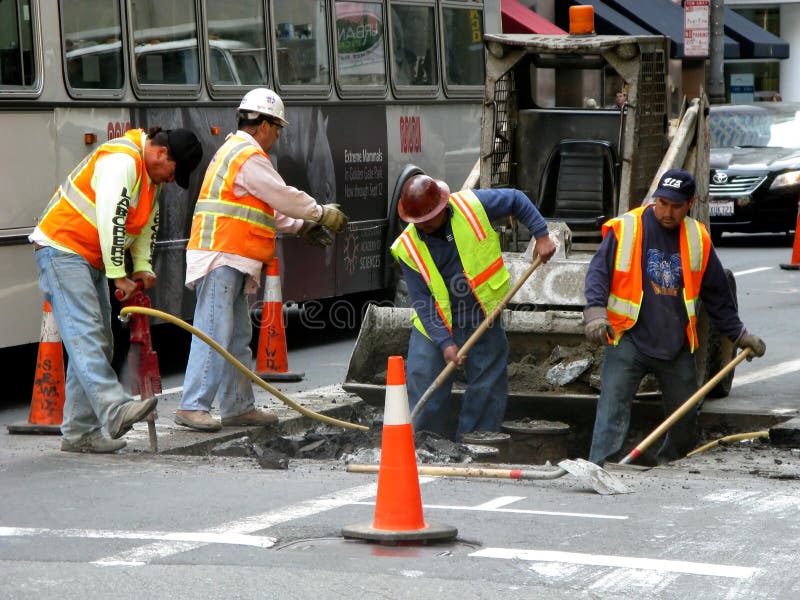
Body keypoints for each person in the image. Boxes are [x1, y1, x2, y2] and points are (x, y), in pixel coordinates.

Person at [175, 88, 349, 432]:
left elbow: (266, 208)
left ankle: (238, 407)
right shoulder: (247, 155)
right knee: (213, 331)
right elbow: (282, 196)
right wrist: (320, 213)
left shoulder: (238, 153)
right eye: (278, 127)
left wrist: (301, 227)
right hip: (221, 254)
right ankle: (192, 405)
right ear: (265, 124)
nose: (279, 135)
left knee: (236, 334)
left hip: (233, 256)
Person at [30, 126, 204, 453]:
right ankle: (114, 409)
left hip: (86, 256)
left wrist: (141, 267)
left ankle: (80, 432)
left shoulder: (148, 178)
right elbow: (113, 217)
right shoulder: (122, 160)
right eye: (173, 172)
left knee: (101, 340)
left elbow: (145, 223)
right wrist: (118, 275)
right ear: (162, 154)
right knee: (86, 337)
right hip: (62, 248)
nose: (170, 180)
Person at [583, 168, 766, 466]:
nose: (667, 212)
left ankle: (666, 467)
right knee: (611, 410)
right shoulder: (627, 228)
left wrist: (740, 335)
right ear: (656, 199)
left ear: (689, 204)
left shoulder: (697, 238)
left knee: (684, 417)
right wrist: (594, 314)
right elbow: (598, 274)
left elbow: (718, 295)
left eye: (675, 206)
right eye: (662, 203)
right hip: (628, 338)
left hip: (675, 345)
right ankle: (600, 466)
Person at [391, 174, 557, 441]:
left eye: (427, 219)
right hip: (434, 326)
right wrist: (445, 343)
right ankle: (421, 444)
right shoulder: (408, 248)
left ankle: (475, 444)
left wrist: (542, 235)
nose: (421, 225)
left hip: (482, 315)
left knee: (487, 386)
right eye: (416, 221)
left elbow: (516, 199)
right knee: (425, 387)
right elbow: (423, 301)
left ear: (442, 207)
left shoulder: (472, 206)